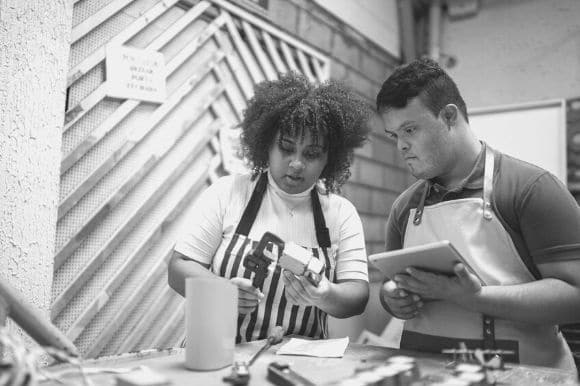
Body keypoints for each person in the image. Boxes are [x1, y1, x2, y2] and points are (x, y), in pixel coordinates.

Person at [376, 58, 580, 371]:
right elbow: (392, 286)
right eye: (395, 135)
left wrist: (477, 298)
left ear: (448, 117)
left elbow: (575, 297)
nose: (401, 146)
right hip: (426, 374)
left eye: (410, 129)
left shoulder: (530, 189)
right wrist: (392, 298)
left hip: (521, 375)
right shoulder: (404, 209)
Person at [168, 72, 371, 343]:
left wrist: (325, 294)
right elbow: (178, 267)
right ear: (266, 145)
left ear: (329, 159)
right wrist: (221, 290)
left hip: (299, 367)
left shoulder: (341, 213)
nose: (297, 163)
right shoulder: (227, 193)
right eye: (286, 148)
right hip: (217, 357)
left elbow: (357, 296)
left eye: (311, 154)